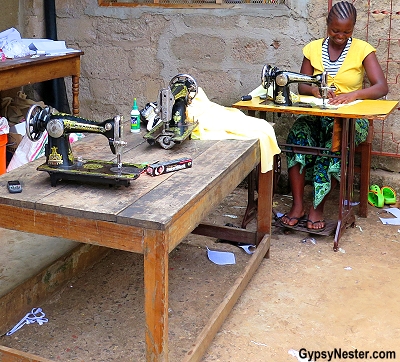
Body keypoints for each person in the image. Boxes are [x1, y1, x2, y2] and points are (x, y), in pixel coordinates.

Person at [280, 0, 388, 232]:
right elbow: (302, 86)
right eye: (335, 31)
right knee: (297, 135)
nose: (340, 36)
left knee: (335, 142)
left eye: (347, 31)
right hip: (319, 115)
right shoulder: (312, 49)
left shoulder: (363, 50)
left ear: (353, 28)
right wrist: (316, 90)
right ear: (327, 26)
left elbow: (381, 87)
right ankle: (297, 205)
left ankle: (317, 207)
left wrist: (353, 95)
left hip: (351, 120)